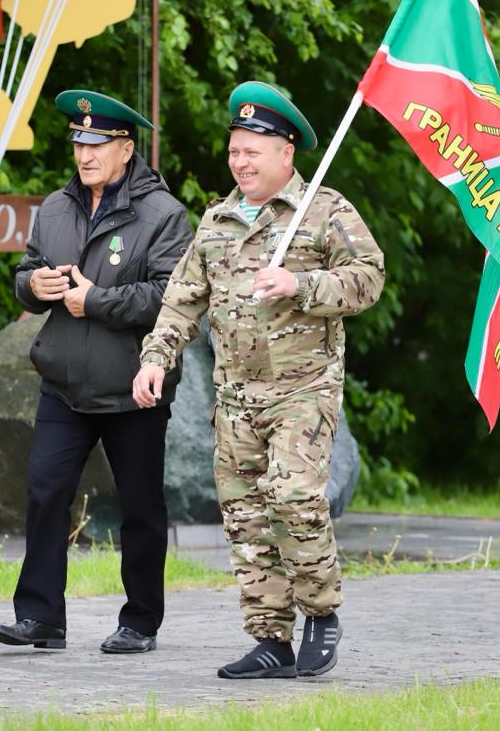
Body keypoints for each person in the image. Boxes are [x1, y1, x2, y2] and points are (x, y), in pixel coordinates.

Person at [132, 81, 384, 679]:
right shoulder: (217, 221)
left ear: (286, 153)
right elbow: (182, 299)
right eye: (234, 151)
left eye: (252, 151)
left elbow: (369, 278)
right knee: (245, 515)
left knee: (293, 496)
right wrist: (155, 358)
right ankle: (271, 639)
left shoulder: (324, 210)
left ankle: (321, 613)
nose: (240, 162)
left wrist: (303, 285)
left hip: (303, 389)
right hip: (235, 397)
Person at [0, 89, 193, 654]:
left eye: (97, 143)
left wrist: (96, 301)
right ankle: (40, 618)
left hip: (132, 389)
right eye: (79, 143)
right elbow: (26, 273)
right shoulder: (56, 207)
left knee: (140, 509)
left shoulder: (164, 214)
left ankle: (140, 622)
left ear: (126, 148)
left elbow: (170, 296)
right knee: (45, 494)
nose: (85, 153)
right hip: (63, 385)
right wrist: (33, 286)